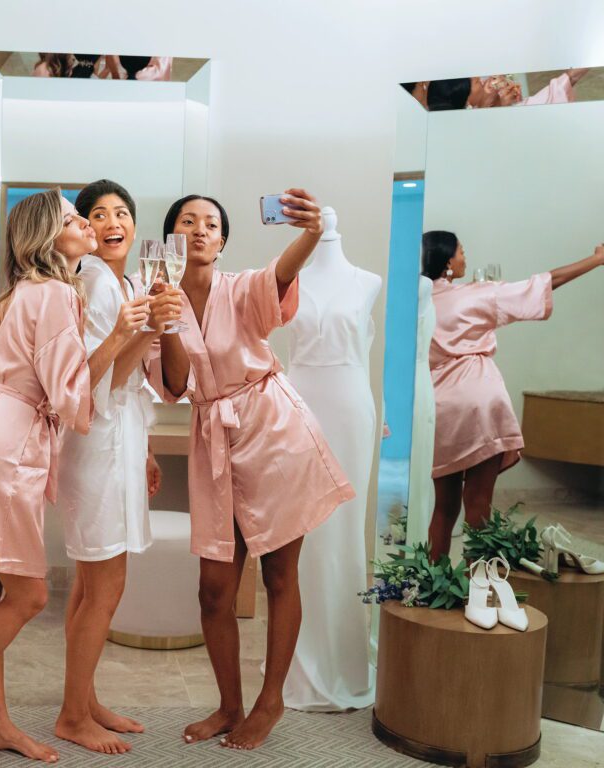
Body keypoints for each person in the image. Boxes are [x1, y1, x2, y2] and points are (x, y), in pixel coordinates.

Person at [0, 190, 149, 764]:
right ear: (49, 237)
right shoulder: (54, 294)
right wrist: (120, 333)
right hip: (4, 445)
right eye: (74, 218)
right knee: (29, 596)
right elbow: (70, 394)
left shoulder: (18, 293)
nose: (87, 223)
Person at [152, 192, 354, 750]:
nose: (199, 230)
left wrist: (311, 233)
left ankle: (270, 702)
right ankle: (228, 705)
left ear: (222, 241)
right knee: (214, 590)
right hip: (213, 443)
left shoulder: (240, 288)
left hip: (272, 433)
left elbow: (280, 272)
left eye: (211, 224)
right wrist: (166, 319)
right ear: (171, 237)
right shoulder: (156, 300)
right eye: (187, 222)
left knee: (279, 576)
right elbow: (171, 386)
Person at [54, 179, 182, 754]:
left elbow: (125, 380)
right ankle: (71, 716)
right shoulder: (94, 284)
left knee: (91, 586)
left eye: (122, 212)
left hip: (117, 443)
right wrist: (150, 326)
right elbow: (93, 379)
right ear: (83, 227)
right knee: (104, 585)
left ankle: (84, 700)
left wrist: (148, 448)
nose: (111, 221)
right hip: (97, 447)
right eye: (97, 214)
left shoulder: (119, 283)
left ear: (135, 225)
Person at [422, 231, 604, 560]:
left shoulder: (418, 304)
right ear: (448, 261)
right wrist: (597, 259)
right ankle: (479, 585)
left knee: (444, 508)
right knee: (478, 504)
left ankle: (429, 583)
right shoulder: (477, 295)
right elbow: (546, 282)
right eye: (462, 251)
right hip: (480, 402)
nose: (465, 257)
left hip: (440, 407)